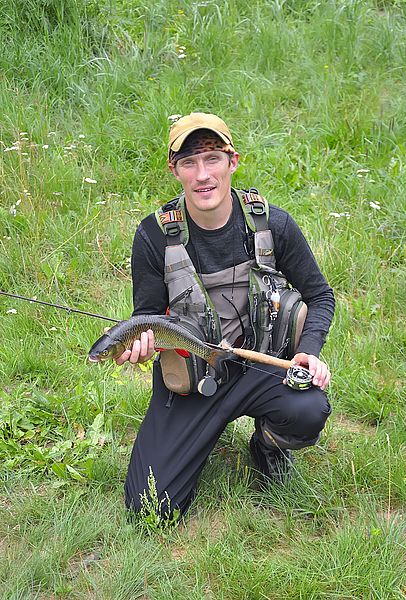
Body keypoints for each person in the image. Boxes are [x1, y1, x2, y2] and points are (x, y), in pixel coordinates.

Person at [118, 112, 336, 519]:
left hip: (263, 367)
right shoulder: (152, 236)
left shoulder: (273, 224)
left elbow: (320, 296)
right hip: (193, 378)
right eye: (189, 162)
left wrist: (309, 352)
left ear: (232, 161)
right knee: (151, 508)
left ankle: (268, 445)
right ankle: (197, 432)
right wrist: (143, 345)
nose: (203, 175)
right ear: (174, 170)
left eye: (212, 158)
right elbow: (146, 315)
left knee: (309, 410)